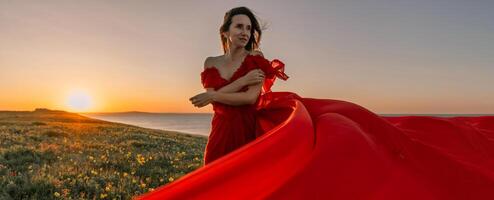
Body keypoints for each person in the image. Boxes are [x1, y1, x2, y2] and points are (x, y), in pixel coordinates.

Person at [136, 6, 494, 200]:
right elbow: (232, 98)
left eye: (249, 28)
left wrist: (218, 93)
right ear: (226, 30)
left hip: (246, 130)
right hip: (220, 130)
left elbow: (247, 100)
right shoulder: (210, 63)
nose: (245, 32)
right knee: (215, 185)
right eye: (239, 26)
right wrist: (229, 89)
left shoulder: (257, 62)